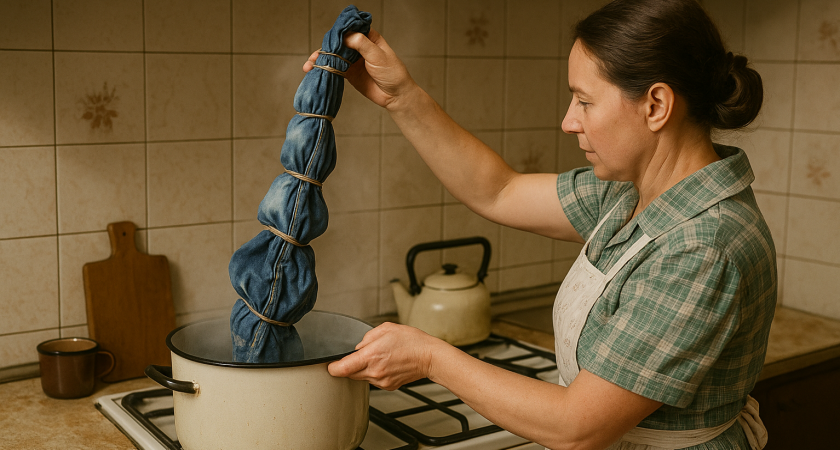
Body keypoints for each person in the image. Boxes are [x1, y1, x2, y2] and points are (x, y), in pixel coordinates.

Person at [306, 0, 776, 448]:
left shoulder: (703, 245)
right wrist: (401, 98)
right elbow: (498, 191)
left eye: (584, 101)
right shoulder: (631, 193)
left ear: (656, 105)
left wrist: (430, 357)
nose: (569, 121)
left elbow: (576, 426)